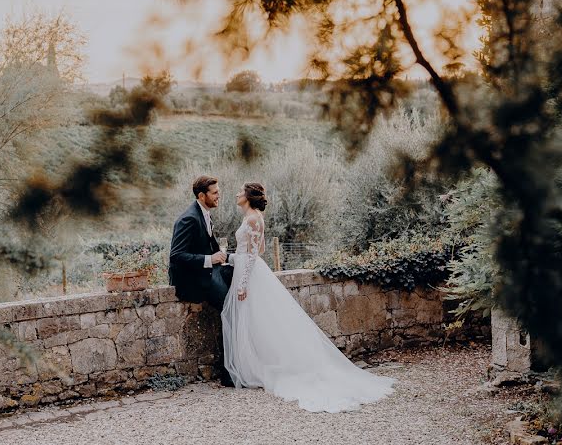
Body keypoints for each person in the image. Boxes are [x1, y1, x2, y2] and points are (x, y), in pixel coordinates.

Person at [221, 182, 396, 412]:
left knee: (255, 319)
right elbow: (256, 250)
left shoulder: (254, 219)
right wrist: (232, 258)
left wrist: (242, 284)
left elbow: (254, 255)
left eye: (240, 191)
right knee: (255, 321)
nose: (236, 194)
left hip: (249, 275)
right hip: (245, 270)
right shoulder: (251, 217)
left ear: (248, 196)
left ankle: (261, 368)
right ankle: (254, 365)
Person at [168, 175, 235, 386]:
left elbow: (211, 246)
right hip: (195, 279)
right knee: (230, 310)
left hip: (211, 270)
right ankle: (230, 373)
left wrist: (225, 257)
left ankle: (244, 363)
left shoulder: (205, 213)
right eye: (215, 193)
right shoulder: (188, 218)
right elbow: (176, 256)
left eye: (218, 191)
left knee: (240, 281)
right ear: (201, 195)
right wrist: (209, 259)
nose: (219, 196)